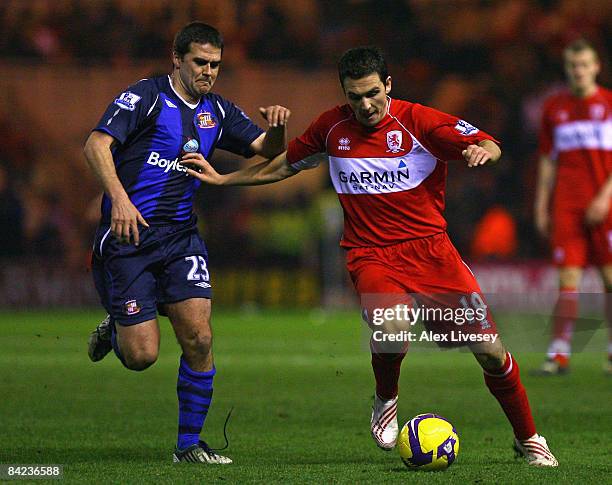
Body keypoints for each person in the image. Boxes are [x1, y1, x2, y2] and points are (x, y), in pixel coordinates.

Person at [184, 46, 558, 467]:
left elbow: (488, 142)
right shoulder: (331, 127)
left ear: (389, 86)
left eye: (372, 93)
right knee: (391, 325)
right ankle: (386, 397)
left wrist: (483, 151)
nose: (364, 104)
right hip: (371, 254)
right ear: (344, 93)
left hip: (432, 254)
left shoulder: (419, 121)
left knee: (490, 351)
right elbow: (285, 164)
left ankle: (529, 439)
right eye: (354, 96)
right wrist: (224, 178)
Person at [84, 21, 290, 464]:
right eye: (200, 62)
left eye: (215, 64)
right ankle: (119, 330)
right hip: (130, 235)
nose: (209, 71)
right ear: (176, 58)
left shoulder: (218, 111)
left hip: (181, 238)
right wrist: (118, 199)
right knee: (141, 357)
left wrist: (277, 130)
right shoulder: (145, 96)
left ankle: (188, 446)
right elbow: (96, 145)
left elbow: (267, 151)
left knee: (198, 337)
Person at [533, 39, 612, 376]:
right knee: (568, 280)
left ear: (596, 67)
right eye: (572, 66)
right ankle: (559, 353)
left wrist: (606, 197)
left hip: (605, 203)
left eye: (584, 65)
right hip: (567, 205)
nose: (578, 71)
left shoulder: (609, 105)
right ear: (566, 68)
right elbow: (548, 162)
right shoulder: (554, 108)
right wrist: (541, 205)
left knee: (610, 280)